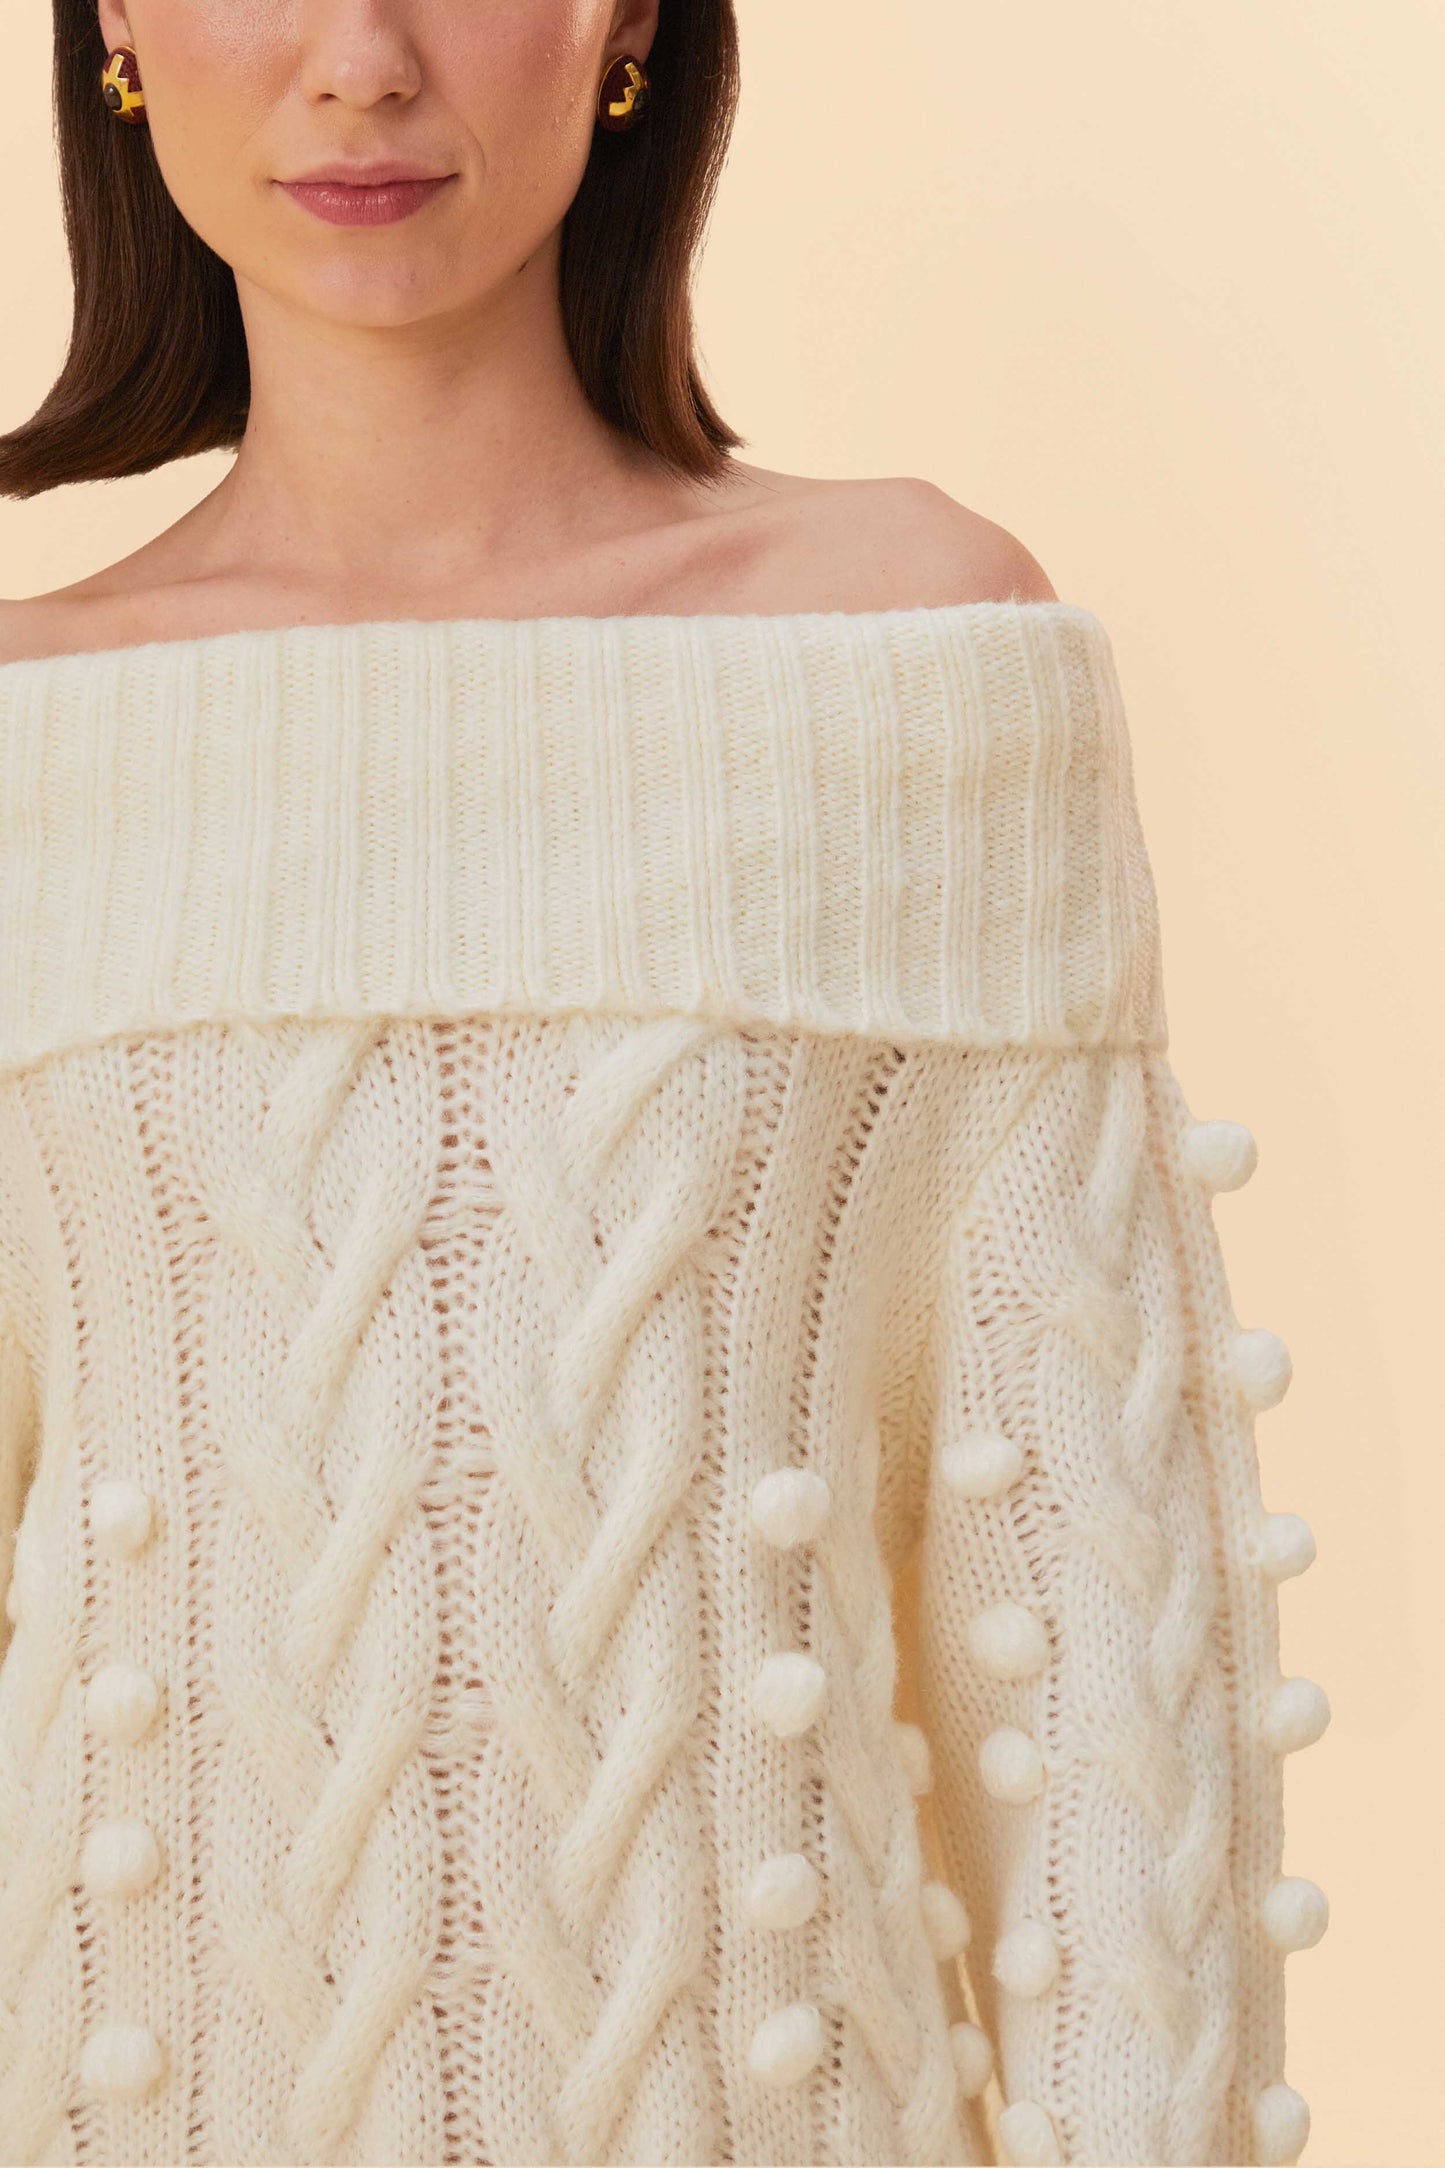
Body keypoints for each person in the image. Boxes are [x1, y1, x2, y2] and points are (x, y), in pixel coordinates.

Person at [0, 6, 1325, 2167]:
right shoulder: (25, 747)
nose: (362, 59)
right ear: (118, 21)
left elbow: (1109, 1713)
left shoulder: (908, 669)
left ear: (625, 18)